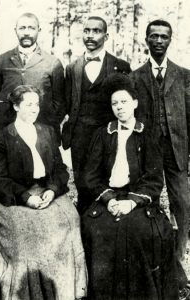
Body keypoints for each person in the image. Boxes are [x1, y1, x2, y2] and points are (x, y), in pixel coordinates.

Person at [81, 73, 178, 299]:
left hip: (137, 200)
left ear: (134, 103)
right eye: (114, 103)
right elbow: (91, 176)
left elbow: (154, 179)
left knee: (140, 232)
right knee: (98, 231)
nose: (119, 107)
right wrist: (110, 200)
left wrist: (131, 203)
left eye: (124, 101)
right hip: (109, 199)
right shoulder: (103, 134)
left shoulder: (148, 133)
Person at [0, 85, 87, 300]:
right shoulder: (1, 137)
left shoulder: (47, 132)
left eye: (36, 104)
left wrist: (52, 190)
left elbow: (60, 169)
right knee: (28, 232)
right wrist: (26, 198)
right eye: (28, 104)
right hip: (14, 197)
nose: (34, 109)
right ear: (16, 106)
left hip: (46, 191)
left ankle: (64, 292)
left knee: (68, 220)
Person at [130, 19, 190, 291]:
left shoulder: (184, 75)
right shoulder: (136, 77)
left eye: (163, 37)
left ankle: (177, 262)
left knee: (184, 206)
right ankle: (152, 266)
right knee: (148, 206)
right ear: (146, 40)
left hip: (177, 150)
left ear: (170, 40)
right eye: (153, 36)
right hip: (148, 153)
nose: (158, 41)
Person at [62, 16, 131, 214]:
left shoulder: (120, 66)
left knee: (107, 179)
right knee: (83, 183)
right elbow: (69, 103)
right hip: (80, 136)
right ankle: (84, 228)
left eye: (96, 31)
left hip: (109, 133)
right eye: (87, 31)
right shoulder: (72, 68)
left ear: (106, 35)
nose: (90, 35)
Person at [0, 12, 65, 141]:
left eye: (31, 28)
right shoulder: (2, 60)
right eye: (22, 28)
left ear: (39, 30)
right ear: (15, 31)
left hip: (41, 134)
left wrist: (47, 126)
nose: (26, 32)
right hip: (8, 132)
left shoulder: (52, 63)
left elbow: (60, 103)